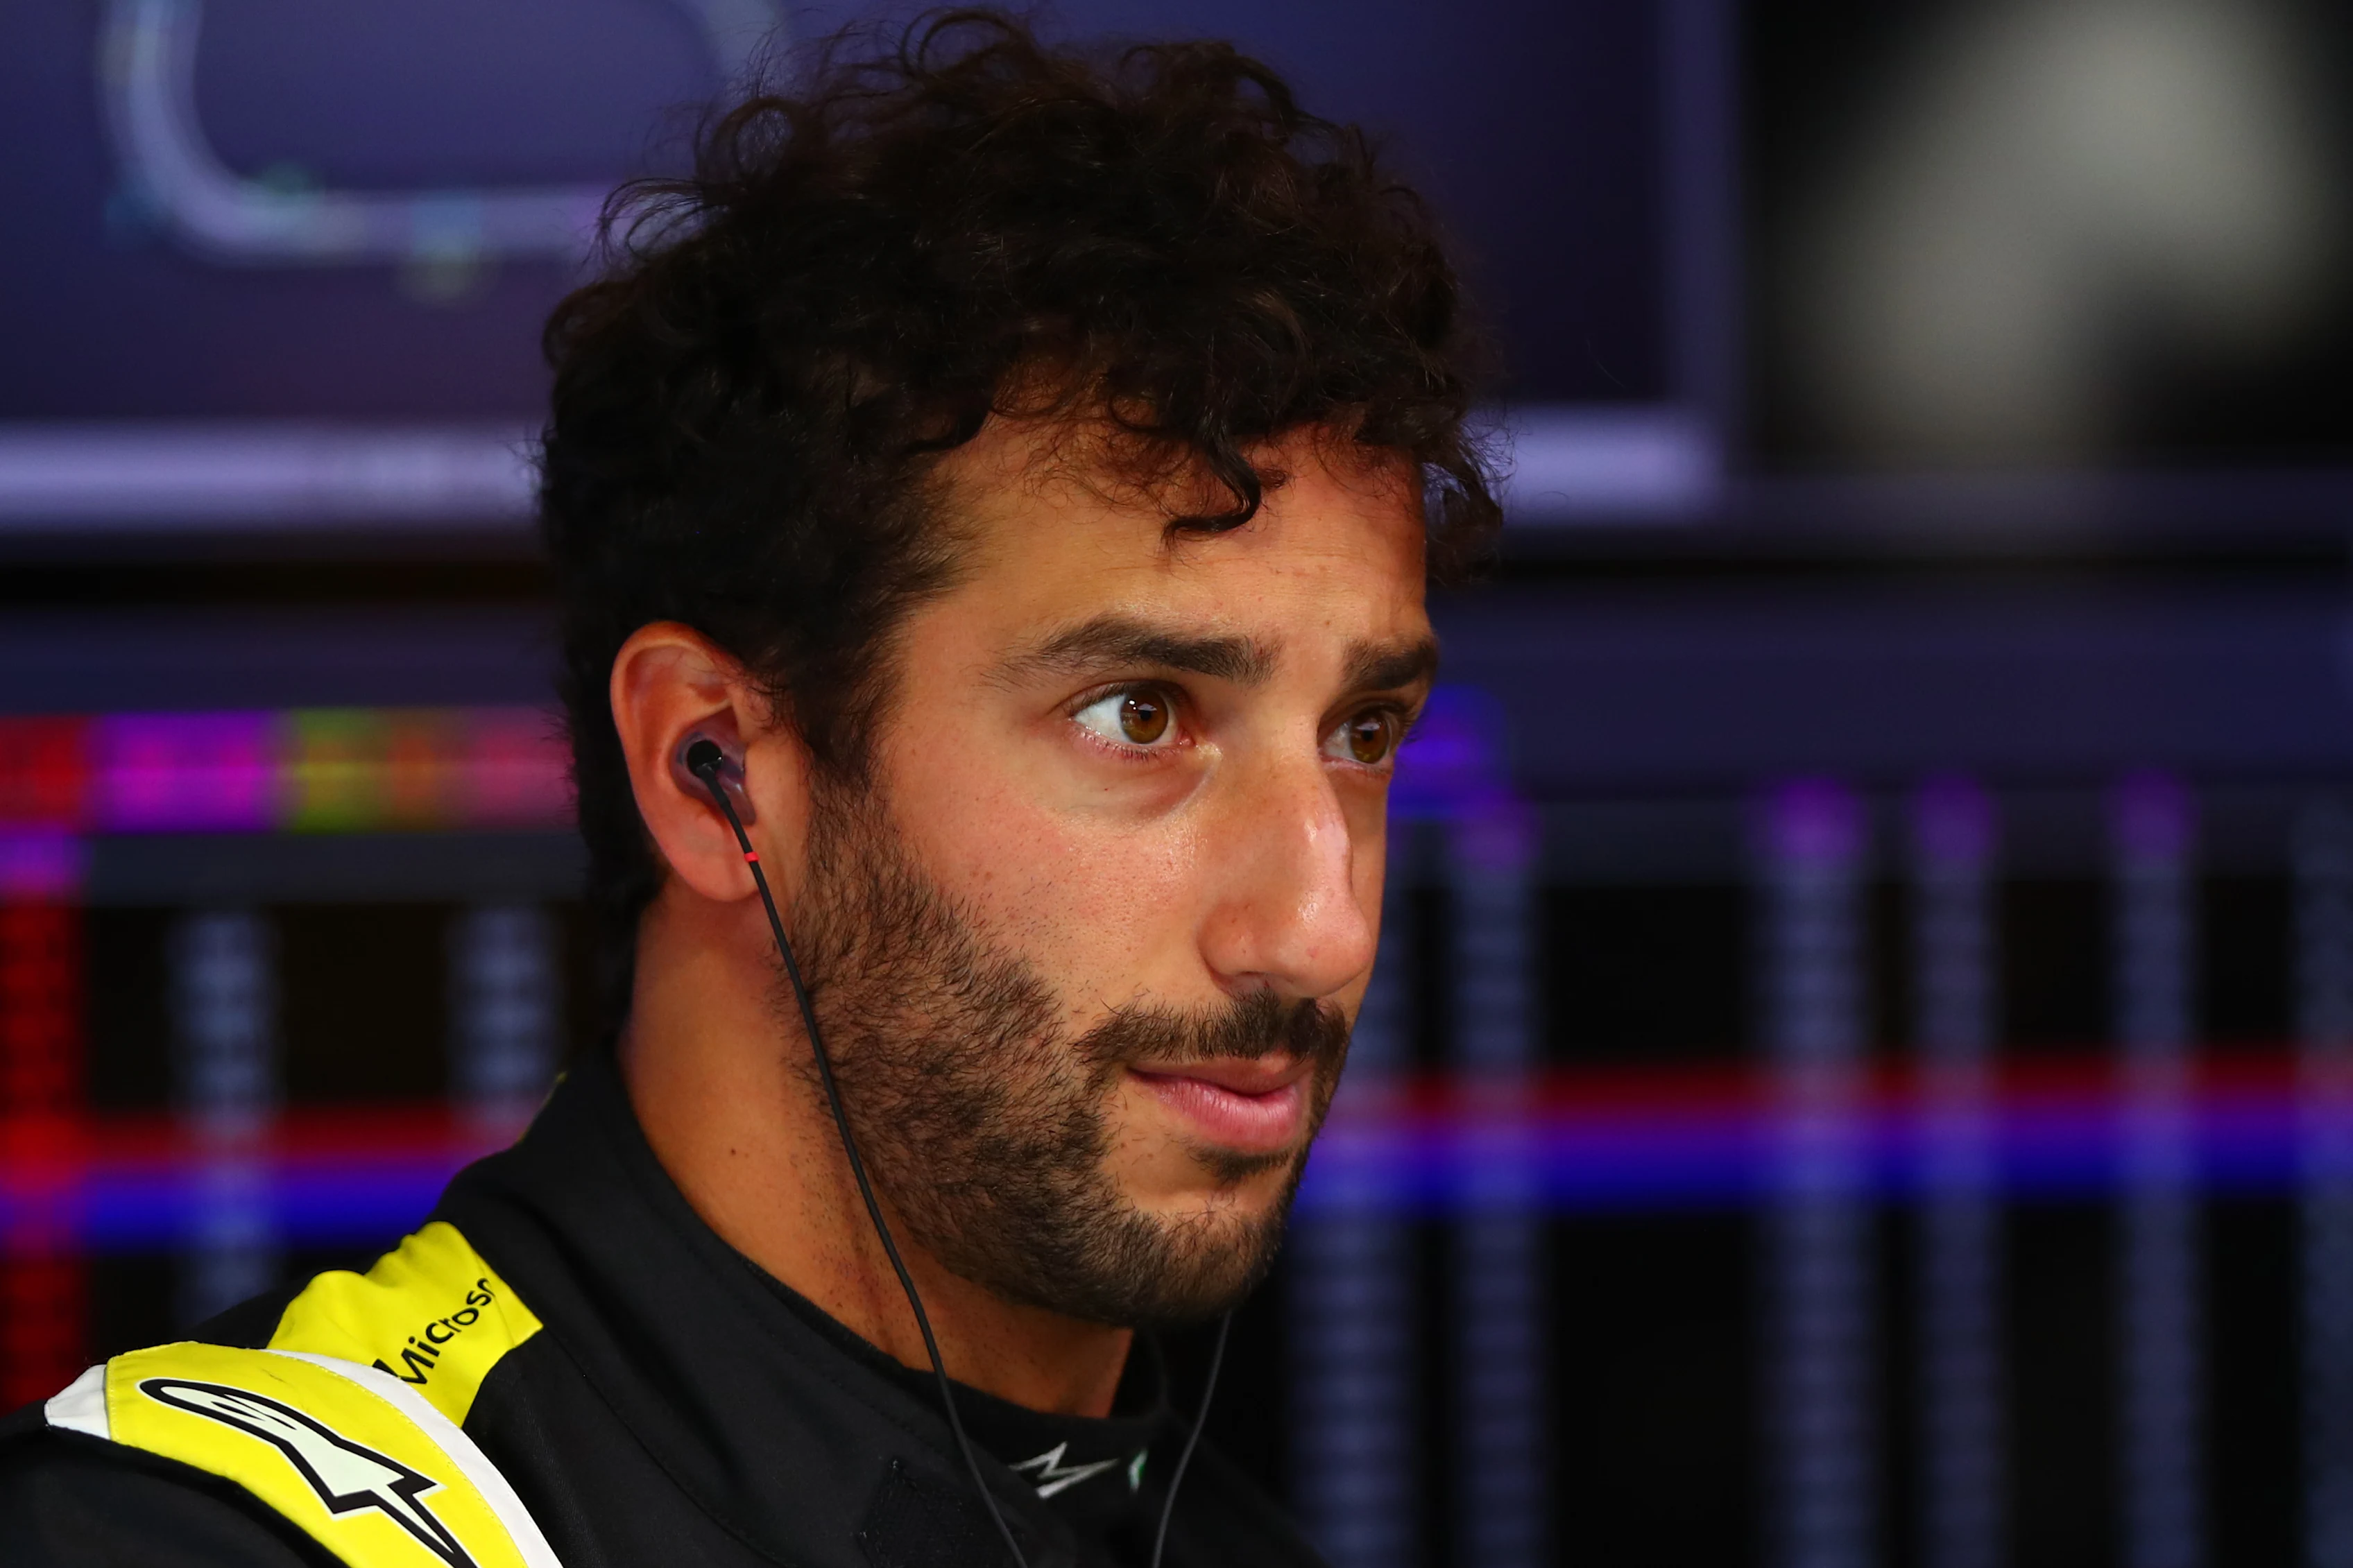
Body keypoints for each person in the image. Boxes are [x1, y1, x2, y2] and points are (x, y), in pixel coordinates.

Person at [0, 10, 1497, 1565]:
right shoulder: (199, 1536)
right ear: (711, 769)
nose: (1320, 929)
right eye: (1142, 714)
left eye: (1362, 733)